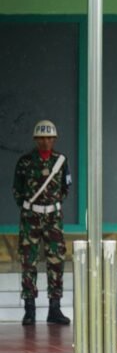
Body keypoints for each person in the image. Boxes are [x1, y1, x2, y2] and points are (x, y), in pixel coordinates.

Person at [12, 120, 72, 326]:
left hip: (53, 219)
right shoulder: (25, 162)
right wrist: (30, 207)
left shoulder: (61, 161)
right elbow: (17, 190)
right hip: (31, 218)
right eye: (41, 138)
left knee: (56, 261)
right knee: (29, 261)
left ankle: (54, 308)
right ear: (35, 140)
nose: (45, 141)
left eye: (49, 138)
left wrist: (51, 205)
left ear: (54, 139)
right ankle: (30, 309)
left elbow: (65, 188)